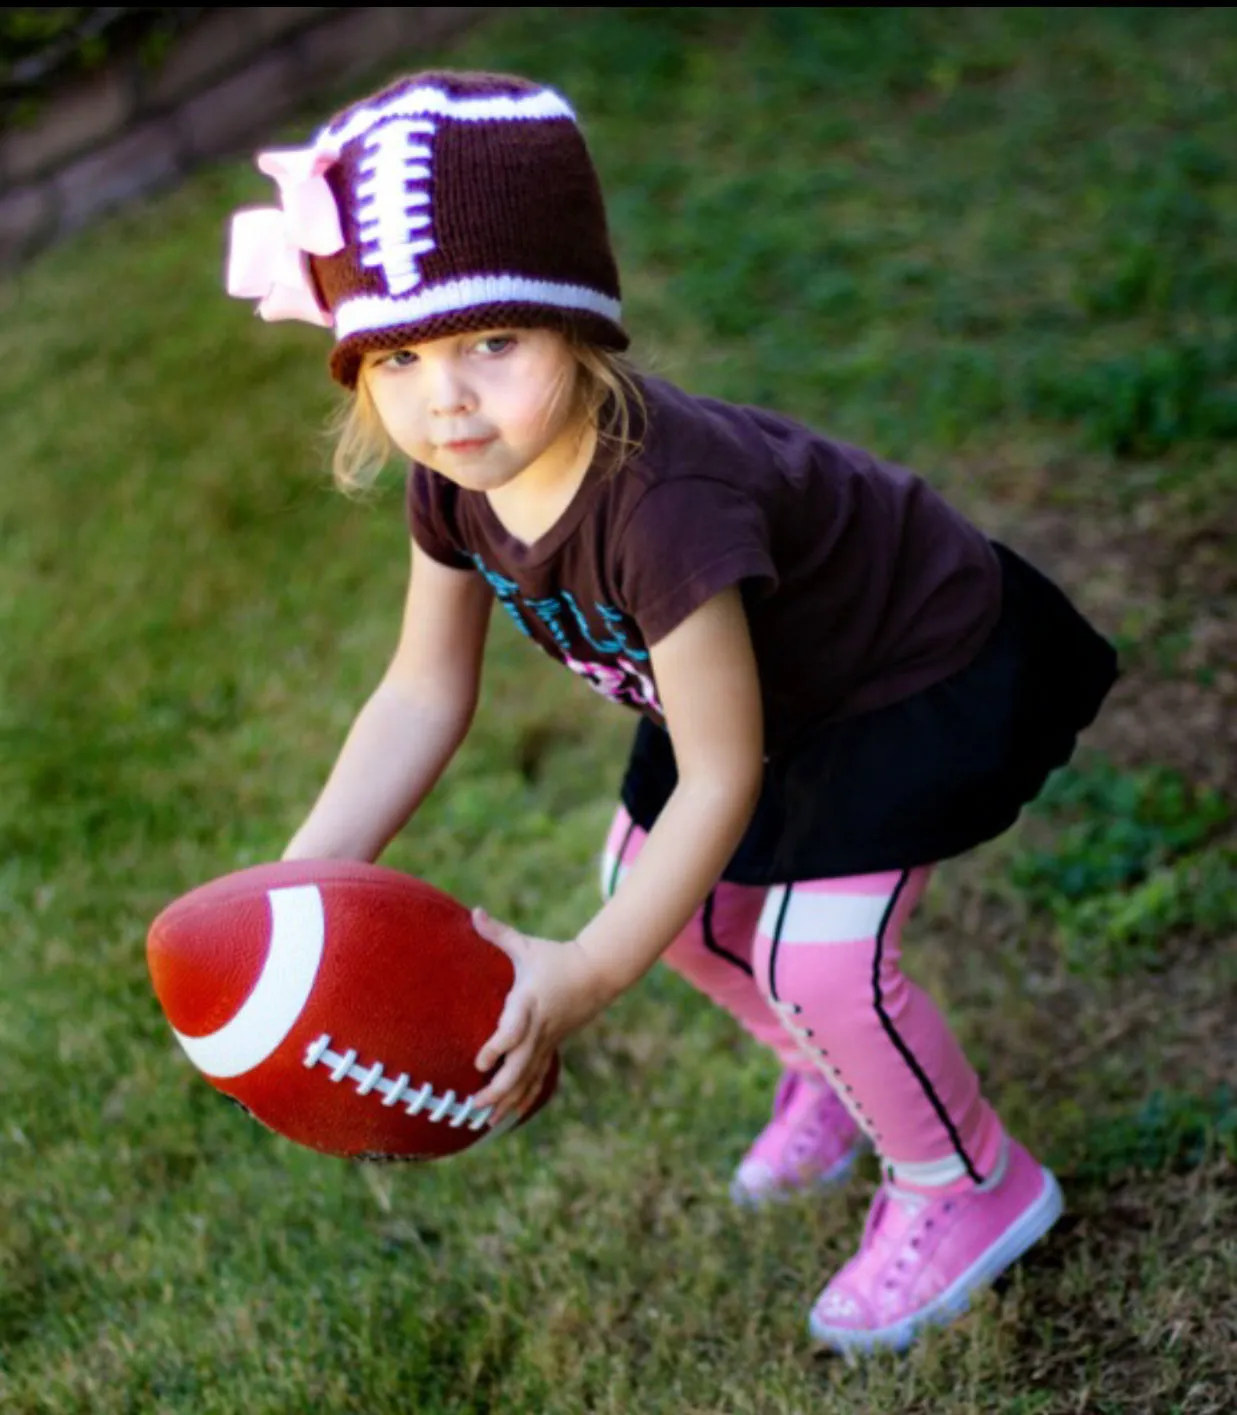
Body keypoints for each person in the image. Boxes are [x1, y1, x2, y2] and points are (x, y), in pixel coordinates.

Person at [226, 68, 1117, 1355]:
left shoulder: (660, 504)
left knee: (817, 956)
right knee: (684, 908)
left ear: (580, 324)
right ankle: (829, 1076)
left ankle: (967, 1180)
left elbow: (720, 775)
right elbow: (423, 689)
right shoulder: (457, 486)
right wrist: (299, 881)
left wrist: (587, 968)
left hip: (905, 667)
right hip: (765, 698)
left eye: (492, 339)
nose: (448, 397)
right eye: (400, 356)